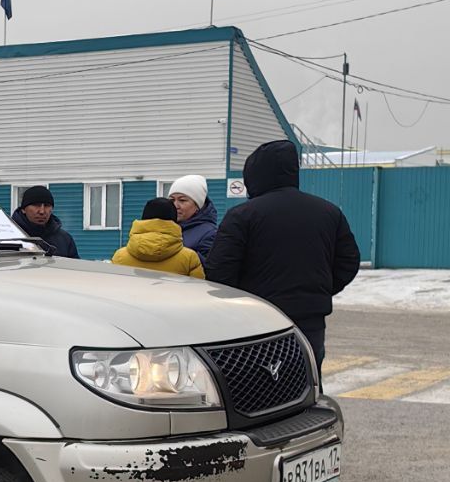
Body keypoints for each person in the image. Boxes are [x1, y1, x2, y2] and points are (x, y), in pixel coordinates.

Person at [205, 139, 359, 370]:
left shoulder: (242, 215)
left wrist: (243, 300)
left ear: (254, 176)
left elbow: (219, 271)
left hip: (255, 319)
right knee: (307, 385)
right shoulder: (328, 212)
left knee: (258, 391)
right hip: (310, 320)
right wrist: (319, 288)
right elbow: (348, 261)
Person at [111, 197, 205, 277]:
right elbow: (197, 292)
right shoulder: (189, 258)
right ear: (174, 221)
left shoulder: (120, 257)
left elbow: (112, 290)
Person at [10, 185, 79, 258]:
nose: (42, 211)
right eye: (36, 205)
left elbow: (76, 267)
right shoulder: (7, 236)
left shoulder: (65, 239)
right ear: (23, 209)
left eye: (47, 205)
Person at [166, 174, 219, 260]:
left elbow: (208, 268)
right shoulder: (163, 226)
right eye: (172, 200)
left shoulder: (210, 234)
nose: (175, 205)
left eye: (182, 200)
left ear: (198, 205)